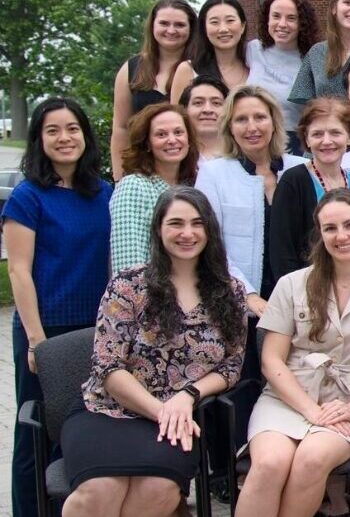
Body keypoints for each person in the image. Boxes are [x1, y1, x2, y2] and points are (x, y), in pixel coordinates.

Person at [58, 188, 246, 517]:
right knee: (101, 490)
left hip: (177, 417)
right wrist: (162, 412)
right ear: (159, 229)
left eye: (197, 223)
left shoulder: (231, 292)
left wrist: (187, 396)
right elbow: (108, 367)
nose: (187, 233)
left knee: (157, 490)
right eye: (176, 223)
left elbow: (231, 367)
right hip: (108, 411)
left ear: (209, 230)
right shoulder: (128, 285)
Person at [239, 190, 350, 517]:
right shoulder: (291, 284)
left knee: (312, 459)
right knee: (269, 464)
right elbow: (271, 359)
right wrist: (311, 410)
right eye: (330, 228)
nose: (341, 236)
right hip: (289, 397)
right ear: (320, 233)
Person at [4, 98, 112, 517]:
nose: (64, 138)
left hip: (94, 329)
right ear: (39, 139)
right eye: (53, 130)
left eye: (72, 129)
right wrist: (36, 341)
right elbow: (18, 272)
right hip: (44, 329)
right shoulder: (28, 197)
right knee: (35, 431)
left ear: (85, 136)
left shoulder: (105, 193)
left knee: (83, 428)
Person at [198, 85, 308, 315]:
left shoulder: (300, 169)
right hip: (239, 308)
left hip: (299, 303)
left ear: (274, 121)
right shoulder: (213, 174)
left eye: (260, 117)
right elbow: (210, 245)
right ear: (229, 126)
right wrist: (248, 295)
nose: (252, 127)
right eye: (241, 119)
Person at [266, 98, 350, 295]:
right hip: (307, 294)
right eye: (317, 134)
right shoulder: (293, 182)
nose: (326, 141)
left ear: (349, 137)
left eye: (335, 132)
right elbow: (282, 252)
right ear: (306, 139)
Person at [112, 0, 194, 180]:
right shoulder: (131, 68)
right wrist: (119, 177)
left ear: (191, 28)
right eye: (164, 23)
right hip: (142, 172)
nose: (171, 30)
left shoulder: (199, 68)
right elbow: (121, 127)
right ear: (152, 26)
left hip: (187, 173)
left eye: (180, 25)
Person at [110, 104, 199, 272]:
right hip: (150, 294)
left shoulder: (194, 187)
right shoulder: (134, 187)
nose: (172, 140)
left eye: (178, 132)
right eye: (161, 134)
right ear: (147, 143)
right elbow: (128, 268)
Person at [247, 0, 317, 155]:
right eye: (276, 16)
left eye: (291, 18)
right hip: (253, 139)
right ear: (267, 19)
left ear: (302, 23)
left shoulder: (311, 59)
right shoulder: (252, 49)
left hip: (293, 144)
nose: (282, 24)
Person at [169, 0, 252, 106]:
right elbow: (176, 118)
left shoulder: (255, 67)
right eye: (214, 22)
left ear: (242, 26)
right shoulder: (188, 70)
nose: (223, 29)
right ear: (204, 28)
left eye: (230, 20)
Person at [181, 75, 230, 159]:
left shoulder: (245, 157)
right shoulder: (175, 159)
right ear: (185, 110)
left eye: (216, 103)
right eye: (198, 103)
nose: (208, 110)